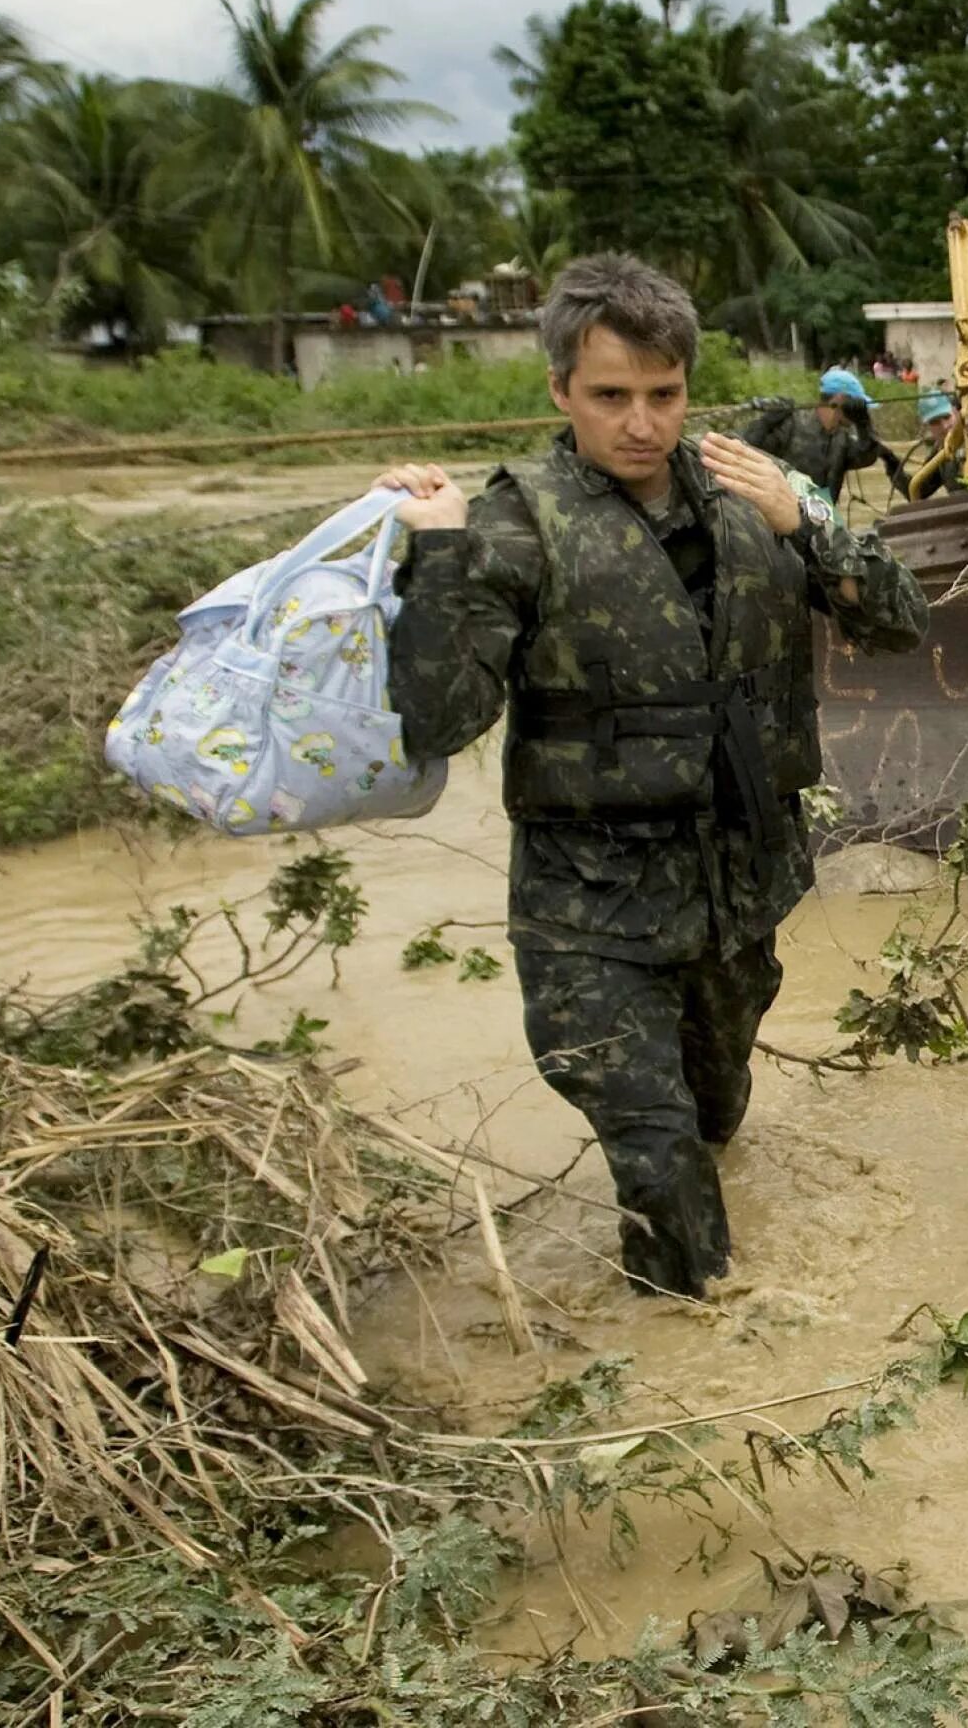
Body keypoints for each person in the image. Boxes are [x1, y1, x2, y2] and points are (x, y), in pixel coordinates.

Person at [374, 253, 929, 1298]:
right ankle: (701, 1366)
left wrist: (804, 523)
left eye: (663, 395)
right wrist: (435, 555)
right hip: (591, 912)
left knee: (717, 1117)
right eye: (611, 397)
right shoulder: (512, 524)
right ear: (559, 392)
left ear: (688, 385)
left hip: (736, 895)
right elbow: (442, 719)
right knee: (663, 1163)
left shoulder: (750, 492)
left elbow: (901, 624)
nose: (641, 423)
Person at [739, 367, 907, 504]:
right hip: (781, 520)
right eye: (856, 403)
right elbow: (744, 452)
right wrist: (765, 423)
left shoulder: (842, 440)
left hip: (822, 527)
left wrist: (864, 425)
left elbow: (867, 457)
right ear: (840, 399)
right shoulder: (790, 425)